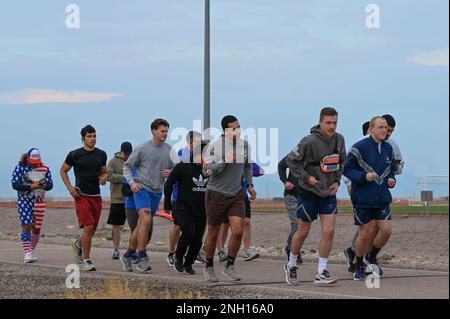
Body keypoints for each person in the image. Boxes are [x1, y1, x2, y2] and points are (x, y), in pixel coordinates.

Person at [284, 107, 346, 285]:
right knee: (303, 232)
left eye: (334, 122)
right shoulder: (308, 141)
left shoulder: (339, 139)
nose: (332, 126)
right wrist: (306, 178)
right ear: (320, 122)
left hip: (328, 193)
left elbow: (342, 161)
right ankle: (292, 263)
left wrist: (337, 181)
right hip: (308, 193)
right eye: (328, 123)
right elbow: (290, 160)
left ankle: (321, 271)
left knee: (329, 231)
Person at [344, 116, 404, 271]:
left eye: (389, 129)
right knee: (366, 231)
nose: (386, 131)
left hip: (381, 195)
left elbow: (395, 167)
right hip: (363, 195)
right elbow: (347, 167)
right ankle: (357, 260)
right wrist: (353, 181)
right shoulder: (359, 145)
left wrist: (392, 179)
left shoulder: (391, 147)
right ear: (371, 129)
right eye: (383, 127)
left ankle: (370, 257)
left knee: (384, 229)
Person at [202, 115, 256, 282]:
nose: (237, 131)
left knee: (238, 230)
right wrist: (224, 162)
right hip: (216, 193)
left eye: (239, 127)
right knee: (213, 233)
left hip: (236, 193)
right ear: (225, 130)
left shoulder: (245, 146)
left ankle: (230, 266)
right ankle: (209, 266)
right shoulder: (215, 146)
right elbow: (206, 171)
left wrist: (250, 185)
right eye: (233, 128)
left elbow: (247, 167)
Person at [121, 118, 178, 272]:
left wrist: (171, 172)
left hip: (157, 190)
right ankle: (141, 256)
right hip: (141, 188)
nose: (165, 134)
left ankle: (127, 255)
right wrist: (132, 183)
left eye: (167, 131)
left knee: (141, 225)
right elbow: (126, 167)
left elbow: (179, 169)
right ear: (153, 131)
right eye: (162, 131)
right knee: (145, 219)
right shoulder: (142, 148)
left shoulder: (169, 150)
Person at [60, 125, 107, 272]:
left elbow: (104, 173)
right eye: (89, 136)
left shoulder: (101, 154)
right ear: (82, 139)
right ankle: (87, 261)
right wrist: (70, 188)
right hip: (81, 196)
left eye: (94, 136)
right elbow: (63, 170)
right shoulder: (74, 155)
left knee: (91, 231)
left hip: (96, 196)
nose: (92, 139)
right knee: (88, 227)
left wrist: (104, 178)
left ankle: (78, 245)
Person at [164, 141, 209, 274]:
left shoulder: (209, 170)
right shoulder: (182, 167)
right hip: (183, 208)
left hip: (202, 210)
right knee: (188, 231)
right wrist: (167, 203)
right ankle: (178, 257)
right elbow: (169, 183)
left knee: (197, 240)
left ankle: (188, 263)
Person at [216, 162, 265, 262]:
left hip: (242, 196)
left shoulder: (246, 162)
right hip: (226, 195)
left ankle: (247, 251)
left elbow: (261, 171)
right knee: (225, 225)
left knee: (246, 222)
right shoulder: (225, 159)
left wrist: (246, 172)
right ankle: (221, 251)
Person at [11, 149, 53, 263]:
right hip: (24, 200)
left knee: (36, 228)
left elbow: (50, 185)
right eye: (33, 161)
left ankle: (32, 249)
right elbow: (15, 184)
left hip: (39, 201)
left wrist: (41, 185)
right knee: (27, 224)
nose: (35, 164)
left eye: (37, 162)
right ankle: (27, 253)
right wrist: (30, 187)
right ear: (28, 158)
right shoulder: (19, 168)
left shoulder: (44, 168)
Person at [106, 142, 132, 260]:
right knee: (116, 226)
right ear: (121, 151)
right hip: (117, 199)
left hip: (131, 199)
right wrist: (125, 177)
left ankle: (133, 249)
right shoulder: (112, 161)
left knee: (134, 226)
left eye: (129, 154)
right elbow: (109, 176)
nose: (127, 156)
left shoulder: (133, 161)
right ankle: (116, 249)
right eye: (125, 153)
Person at [278, 155, 303, 264]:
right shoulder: (296, 154)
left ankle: (291, 247)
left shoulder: (316, 155)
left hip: (307, 197)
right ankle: (292, 250)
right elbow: (281, 165)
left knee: (303, 226)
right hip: (292, 195)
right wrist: (285, 181)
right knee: (296, 223)